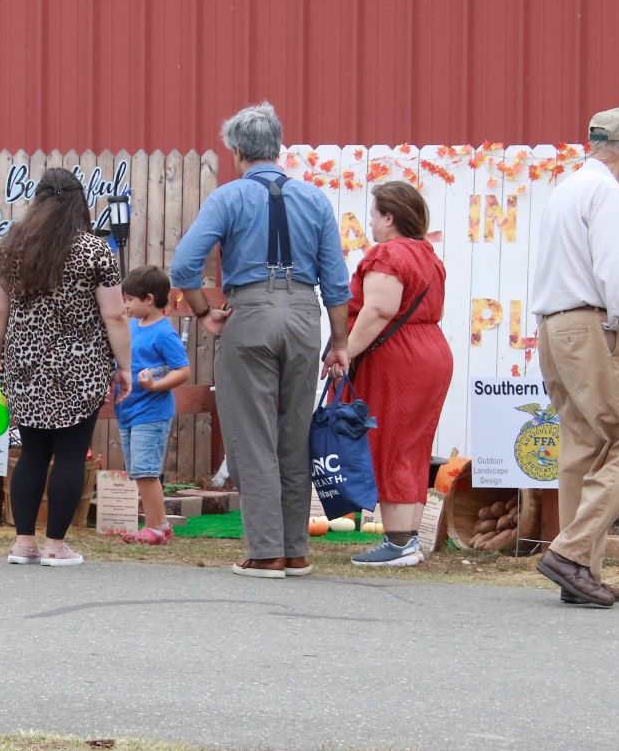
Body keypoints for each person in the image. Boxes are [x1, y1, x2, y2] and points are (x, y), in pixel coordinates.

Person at [170, 102, 352, 578]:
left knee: (252, 436)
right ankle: (295, 550)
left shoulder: (228, 197)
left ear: (236, 151)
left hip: (249, 312)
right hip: (305, 313)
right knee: (293, 435)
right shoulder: (314, 199)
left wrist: (204, 311)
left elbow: (183, 266)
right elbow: (336, 282)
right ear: (277, 147)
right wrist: (339, 342)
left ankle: (266, 551)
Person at [531, 104, 619, 607]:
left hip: (553, 328)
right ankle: (571, 554)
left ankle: (579, 572)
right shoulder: (605, 192)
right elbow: (614, 272)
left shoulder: (565, 189)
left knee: (582, 447)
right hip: (591, 327)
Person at [0, 167, 131, 568]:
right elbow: (115, 315)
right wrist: (125, 366)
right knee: (70, 455)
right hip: (80, 366)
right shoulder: (95, 251)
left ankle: (23, 543)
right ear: (79, 202)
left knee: (32, 453)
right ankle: (56, 546)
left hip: (25, 365)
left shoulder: (11, 250)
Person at [343, 181, 453, 567]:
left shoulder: (389, 254)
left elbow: (379, 309)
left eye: (374, 215)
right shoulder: (427, 255)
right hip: (431, 349)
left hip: (399, 358)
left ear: (389, 217)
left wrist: (344, 353)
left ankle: (398, 542)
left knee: (390, 442)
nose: (372, 222)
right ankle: (408, 538)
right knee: (413, 446)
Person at [115, 265, 191, 545]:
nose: (125, 305)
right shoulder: (132, 327)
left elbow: (182, 370)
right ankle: (161, 526)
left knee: (146, 472)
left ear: (148, 299)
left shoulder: (164, 333)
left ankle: (155, 527)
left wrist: (154, 386)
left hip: (151, 413)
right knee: (139, 471)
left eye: (129, 299)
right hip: (128, 411)